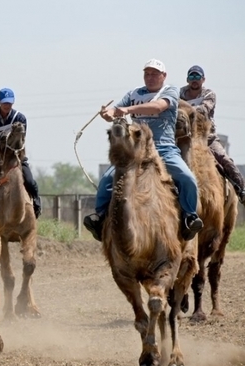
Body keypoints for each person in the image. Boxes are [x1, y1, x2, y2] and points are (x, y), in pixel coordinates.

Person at [83, 59, 203, 242]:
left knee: (187, 178)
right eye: (147, 73)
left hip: (164, 148)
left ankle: (189, 217)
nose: (150, 77)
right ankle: (99, 218)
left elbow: (158, 107)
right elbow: (115, 111)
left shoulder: (169, 91)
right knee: (107, 179)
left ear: (164, 76)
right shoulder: (134, 93)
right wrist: (107, 113)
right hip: (136, 150)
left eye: (155, 73)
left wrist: (126, 109)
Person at [0, 88, 42, 218]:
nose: (7, 105)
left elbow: (19, 144)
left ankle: (36, 206)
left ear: (13, 102)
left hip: (16, 160)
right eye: (4, 102)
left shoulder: (19, 118)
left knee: (30, 181)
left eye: (9, 103)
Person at [180, 65, 245, 204]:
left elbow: (203, 109)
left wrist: (182, 108)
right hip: (185, 138)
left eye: (197, 77)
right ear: (187, 79)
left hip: (207, 138)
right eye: (191, 76)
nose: (194, 80)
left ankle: (241, 190)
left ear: (203, 79)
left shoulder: (209, 94)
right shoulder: (180, 94)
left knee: (224, 159)